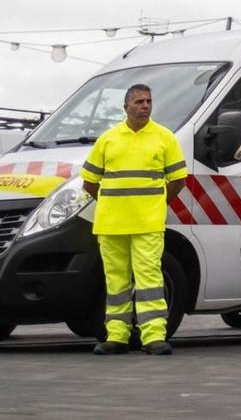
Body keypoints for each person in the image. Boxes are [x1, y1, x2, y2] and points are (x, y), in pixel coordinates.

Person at [82, 84, 188, 356]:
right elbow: (89, 181)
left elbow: (178, 179)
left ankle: (154, 337)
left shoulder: (165, 137)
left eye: (149, 101)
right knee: (116, 282)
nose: (145, 106)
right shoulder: (108, 139)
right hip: (111, 224)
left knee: (149, 280)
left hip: (147, 223)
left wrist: (156, 204)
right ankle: (116, 337)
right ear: (126, 107)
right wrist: (111, 202)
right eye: (139, 101)